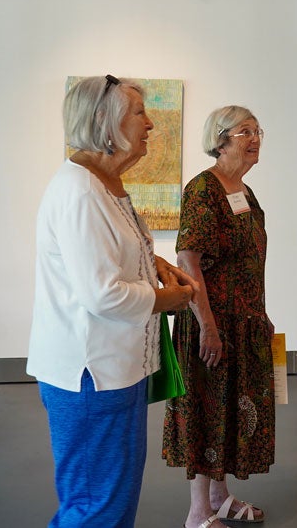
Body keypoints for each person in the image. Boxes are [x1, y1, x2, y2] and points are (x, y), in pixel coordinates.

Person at [27, 74, 198, 528]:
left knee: (109, 500)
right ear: (104, 122)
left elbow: (106, 255)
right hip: (91, 374)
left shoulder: (103, 184)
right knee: (96, 507)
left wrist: (154, 262)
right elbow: (101, 293)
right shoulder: (83, 192)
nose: (151, 124)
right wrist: (168, 299)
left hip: (113, 371)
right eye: (139, 113)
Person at [163, 105, 275, 528]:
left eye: (257, 130)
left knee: (228, 410)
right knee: (208, 410)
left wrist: (260, 312)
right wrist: (207, 326)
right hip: (211, 321)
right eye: (245, 131)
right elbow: (188, 260)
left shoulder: (244, 191)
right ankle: (198, 512)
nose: (255, 138)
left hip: (242, 321)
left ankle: (219, 497)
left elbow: (249, 260)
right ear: (220, 140)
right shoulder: (203, 189)